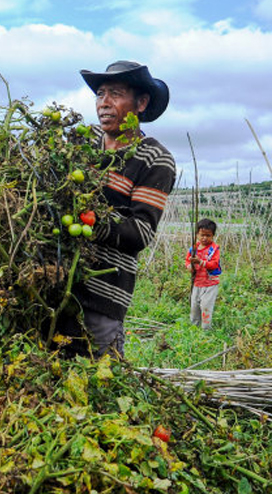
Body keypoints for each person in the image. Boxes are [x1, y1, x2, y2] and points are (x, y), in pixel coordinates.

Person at [59, 61, 176, 358]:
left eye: (115, 93)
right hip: (56, 285)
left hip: (103, 294)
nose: (104, 103)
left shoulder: (154, 158)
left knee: (102, 381)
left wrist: (86, 219)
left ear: (141, 102)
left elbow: (140, 233)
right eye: (100, 94)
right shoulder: (80, 145)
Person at [186, 219, 221, 329]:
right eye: (202, 235)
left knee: (206, 306)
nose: (204, 238)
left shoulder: (214, 249)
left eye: (208, 235)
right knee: (194, 306)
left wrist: (200, 262)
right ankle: (194, 329)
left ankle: (206, 330)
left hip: (210, 283)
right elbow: (187, 260)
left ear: (213, 236)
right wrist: (189, 266)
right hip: (197, 283)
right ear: (197, 234)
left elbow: (214, 264)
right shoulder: (194, 248)